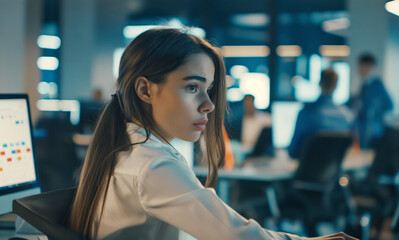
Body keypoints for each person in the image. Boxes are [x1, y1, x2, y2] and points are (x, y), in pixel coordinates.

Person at [69, 28, 357, 240]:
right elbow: (234, 235)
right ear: (145, 90)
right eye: (192, 88)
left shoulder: (130, 147)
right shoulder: (152, 164)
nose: (208, 105)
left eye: (208, 89)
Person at [289, 69, 354, 159]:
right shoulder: (348, 116)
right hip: (333, 171)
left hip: (306, 169)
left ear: (319, 83)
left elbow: (293, 151)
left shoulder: (306, 113)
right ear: (336, 86)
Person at [349, 53, 393, 149]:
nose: (358, 69)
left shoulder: (376, 85)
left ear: (369, 66)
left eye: (360, 65)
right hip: (363, 130)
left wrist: (376, 114)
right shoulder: (365, 84)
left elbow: (389, 105)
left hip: (372, 131)